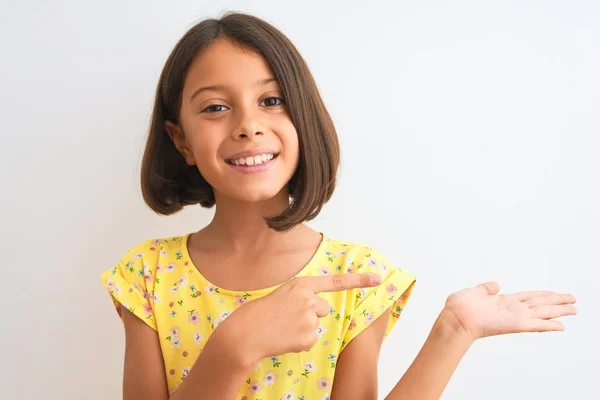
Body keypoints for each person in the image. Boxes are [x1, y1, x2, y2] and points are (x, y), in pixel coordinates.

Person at [100, 12, 577, 400]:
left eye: (272, 100)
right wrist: (233, 348)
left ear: (303, 118)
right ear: (180, 139)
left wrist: (454, 331)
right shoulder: (148, 274)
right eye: (215, 107)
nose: (248, 125)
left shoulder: (357, 275)